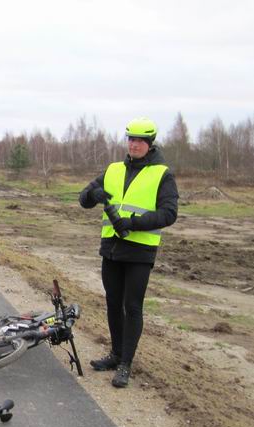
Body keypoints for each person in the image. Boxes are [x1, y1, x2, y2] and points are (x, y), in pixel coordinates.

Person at [78, 117, 178, 388]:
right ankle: (115, 354)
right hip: (111, 249)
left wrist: (131, 224)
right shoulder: (112, 170)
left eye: (139, 141)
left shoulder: (162, 174)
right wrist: (93, 195)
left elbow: (169, 214)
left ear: (149, 144)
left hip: (139, 251)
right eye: (131, 140)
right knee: (112, 302)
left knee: (131, 307)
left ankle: (126, 364)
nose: (134, 145)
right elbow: (83, 198)